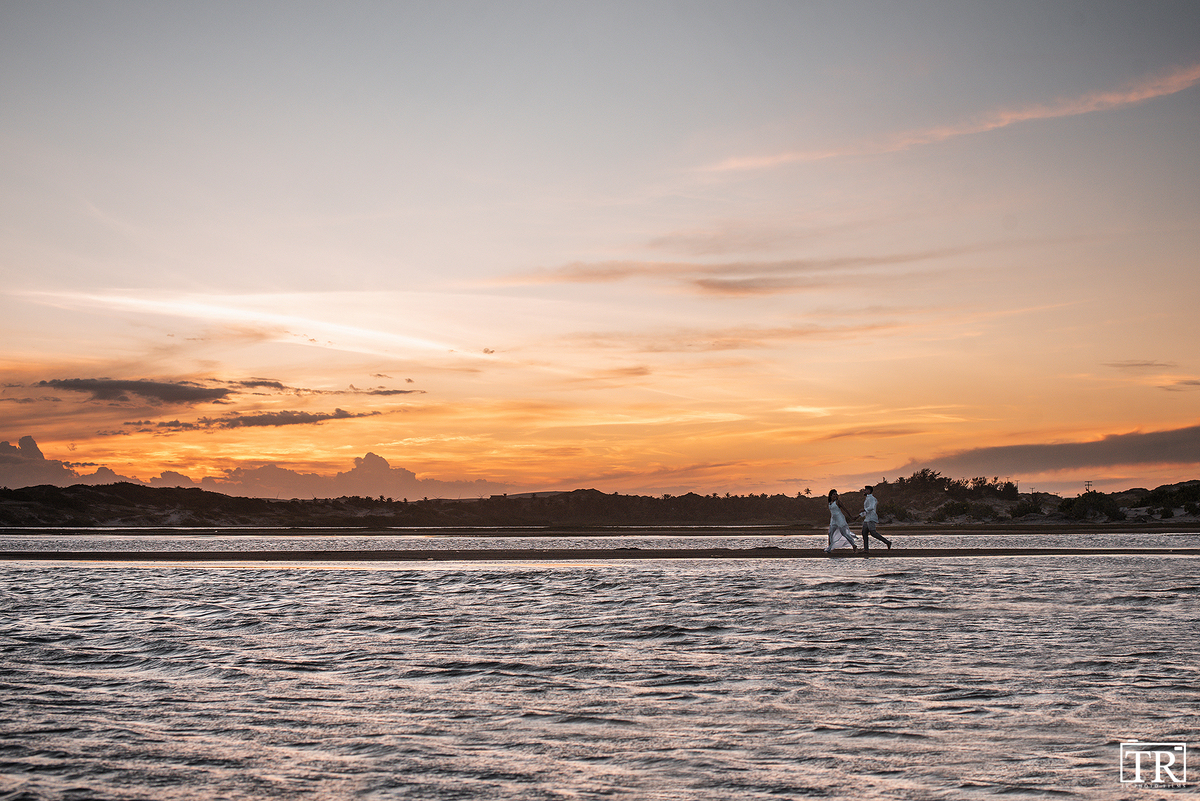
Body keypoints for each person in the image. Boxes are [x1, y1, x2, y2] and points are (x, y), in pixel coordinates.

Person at [857, 486, 892, 551]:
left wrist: (863, 510)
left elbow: (871, 507)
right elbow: (866, 511)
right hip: (867, 519)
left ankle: (887, 542)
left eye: (865, 490)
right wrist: (859, 515)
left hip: (871, 518)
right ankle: (866, 549)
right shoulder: (867, 498)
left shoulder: (871, 498)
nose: (864, 491)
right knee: (864, 533)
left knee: (873, 533)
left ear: (869, 491)